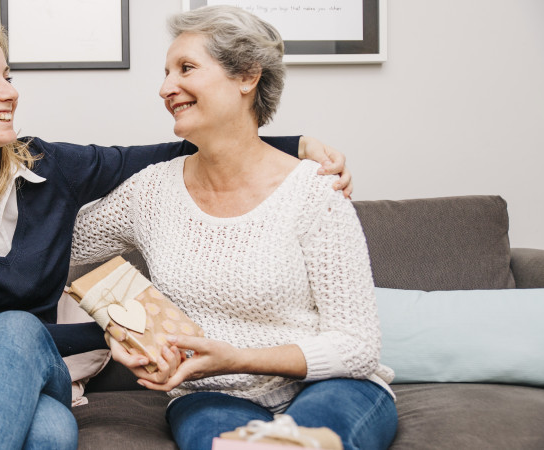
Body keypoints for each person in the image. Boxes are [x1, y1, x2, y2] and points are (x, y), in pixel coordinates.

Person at [0, 20, 351, 450]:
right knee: (45, 425)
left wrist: (294, 144)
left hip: (33, 372)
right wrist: (117, 334)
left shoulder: (48, 168)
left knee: (19, 338)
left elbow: (156, 155)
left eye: (7, 75)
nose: (9, 91)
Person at [70, 6, 397, 450]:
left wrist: (238, 358)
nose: (166, 88)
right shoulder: (149, 192)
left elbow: (357, 347)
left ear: (247, 77)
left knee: (300, 444)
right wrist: (121, 327)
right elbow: (56, 247)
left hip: (331, 386)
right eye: (166, 72)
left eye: (186, 68)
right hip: (208, 396)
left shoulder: (313, 191)